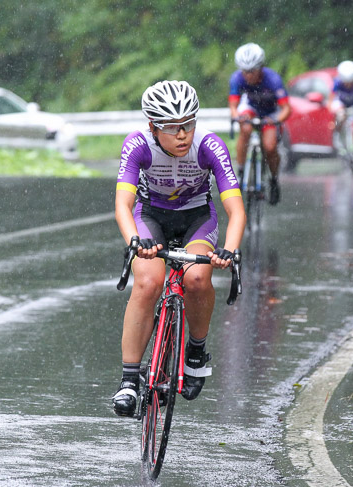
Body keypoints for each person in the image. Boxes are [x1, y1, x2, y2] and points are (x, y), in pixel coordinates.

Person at [112, 80, 246, 417]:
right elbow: (123, 205)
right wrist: (134, 240)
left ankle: (196, 351)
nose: (183, 134)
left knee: (198, 279)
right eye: (172, 128)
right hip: (151, 217)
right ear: (153, 128)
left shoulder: (210, 146)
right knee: (147, 283)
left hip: (196, 219)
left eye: (188, 124)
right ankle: (129, 379)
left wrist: (229, 250)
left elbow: (236, 209)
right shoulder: (138, 145)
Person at [228, 42, 291, 205]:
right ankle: (241, 172)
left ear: (261, 68)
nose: (248, 76)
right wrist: (237, 116)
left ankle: (274, 180)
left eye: (252, 71)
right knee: (245, 129)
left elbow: (286, 109)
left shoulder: (273, 80)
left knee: (270, 146)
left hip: (270, 113)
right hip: (251, 108)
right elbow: (234, 107)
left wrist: (276, 120)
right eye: (245, 71)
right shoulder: (237, 78)